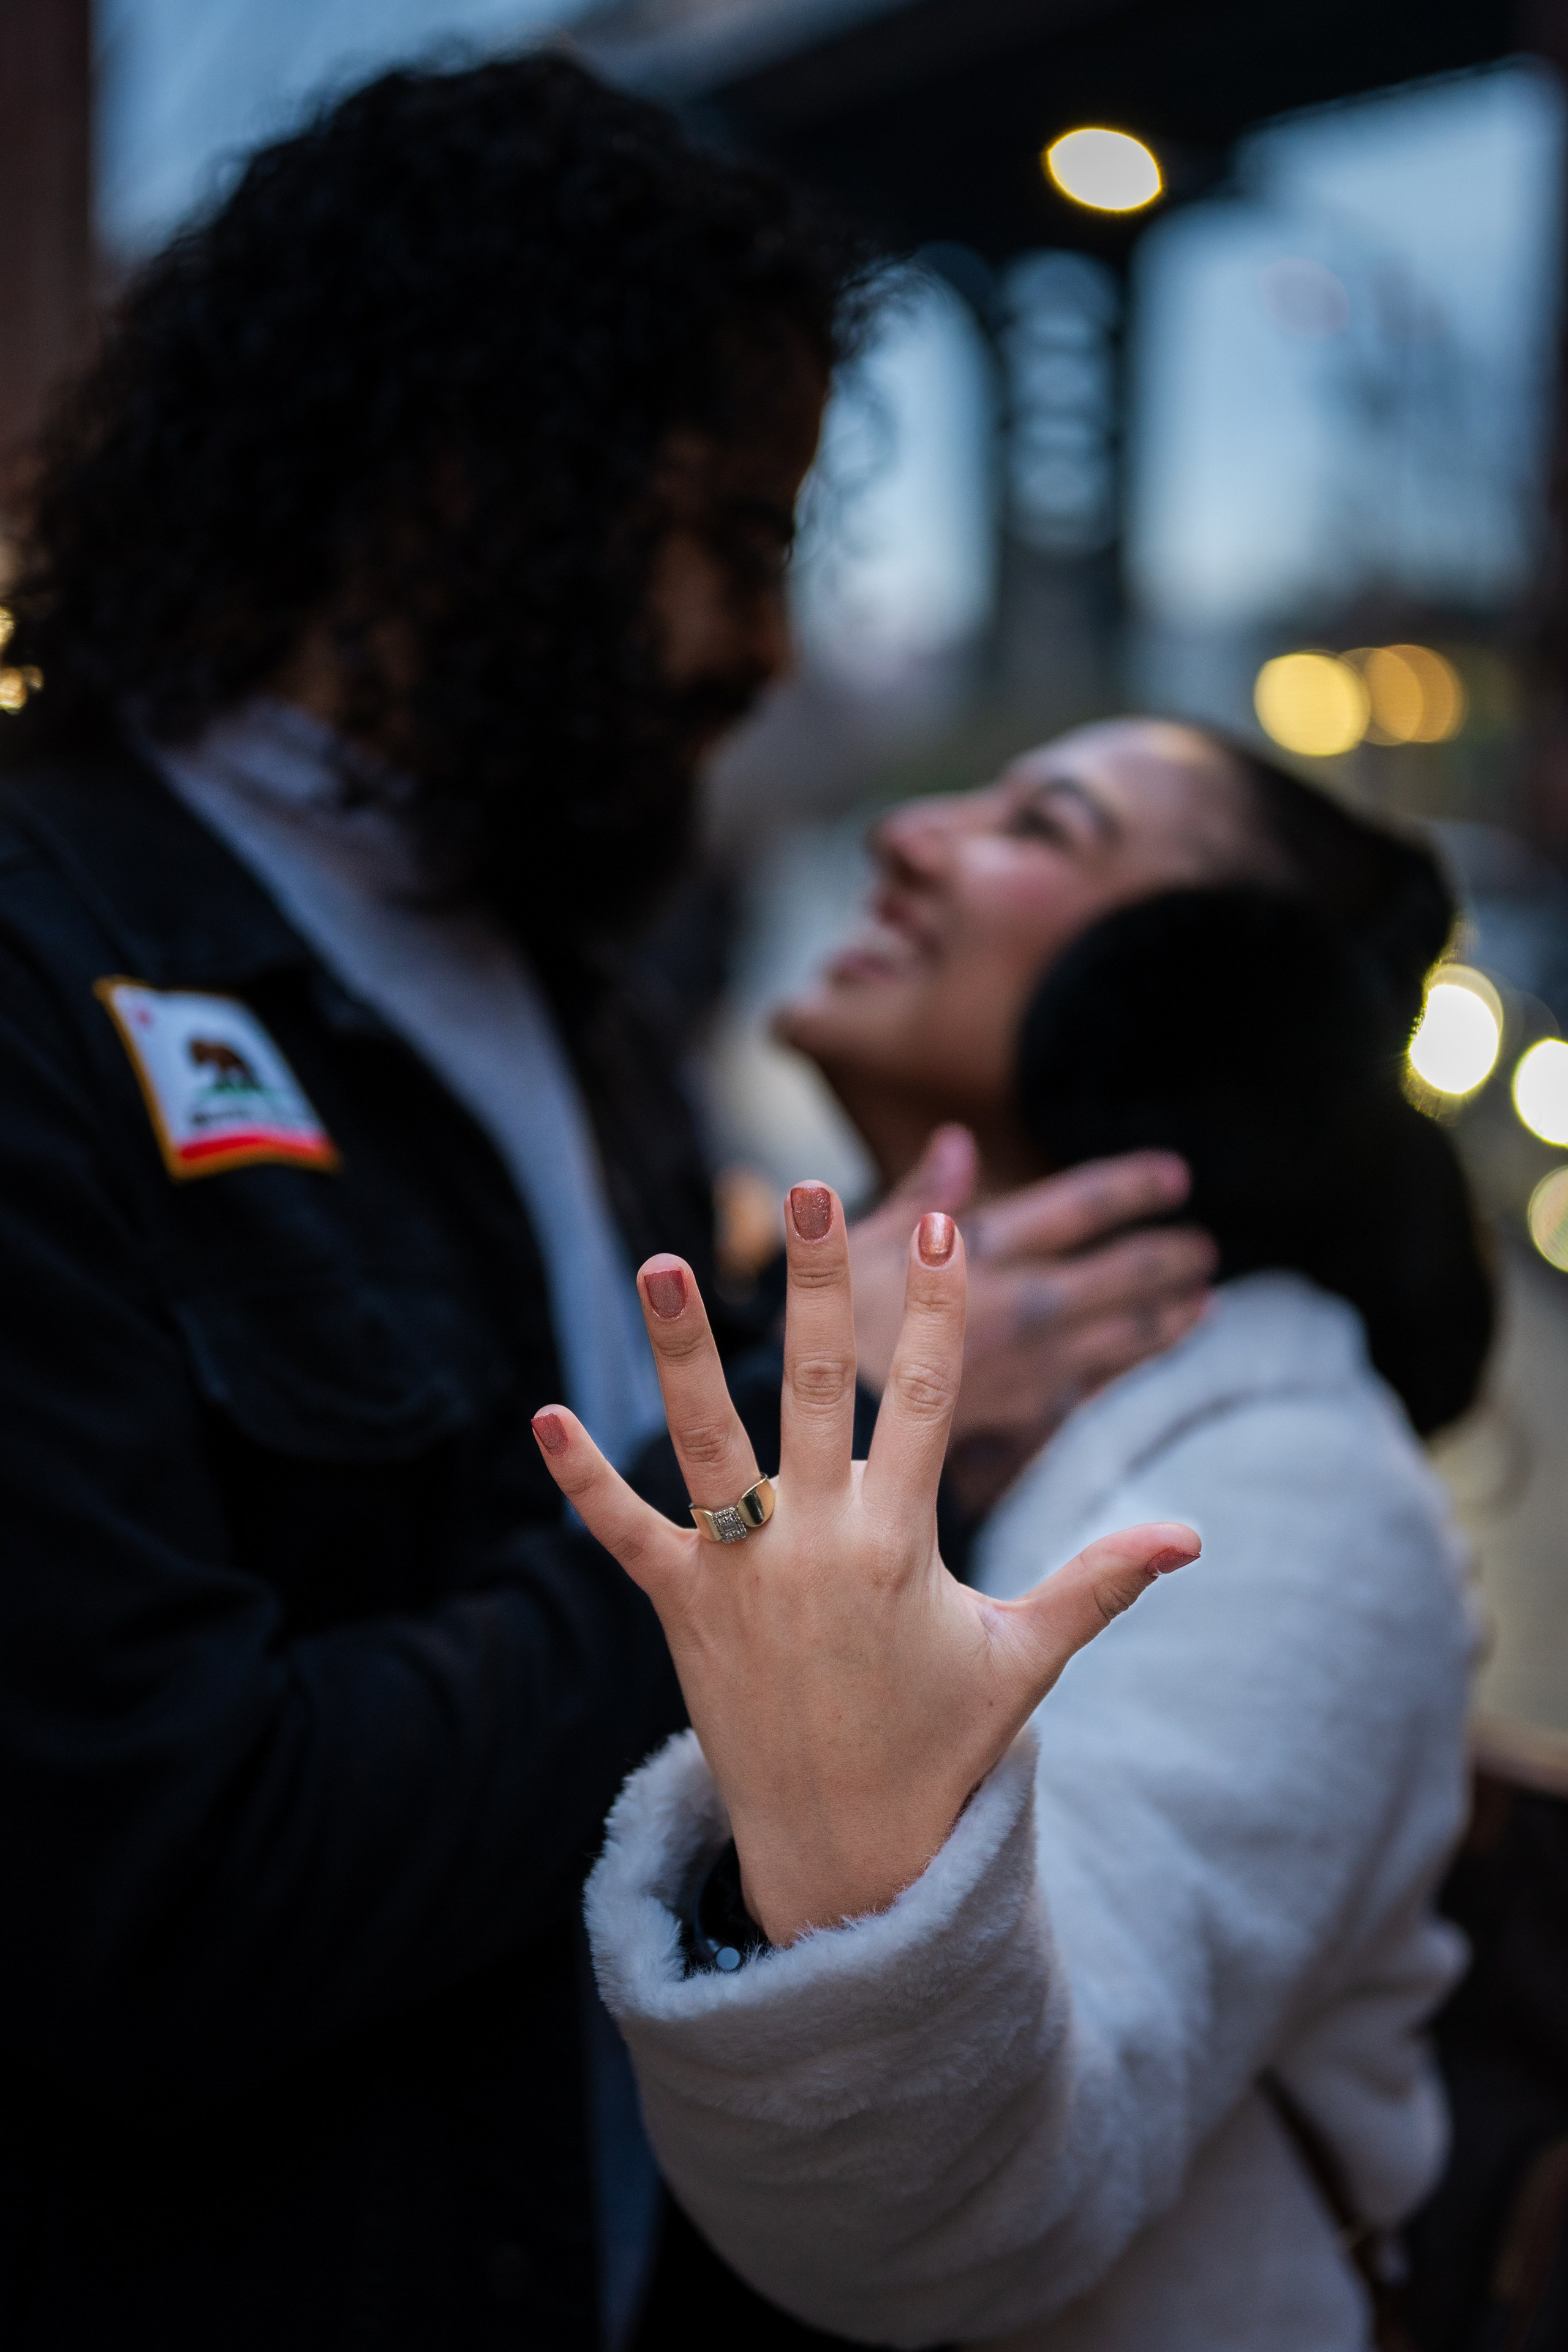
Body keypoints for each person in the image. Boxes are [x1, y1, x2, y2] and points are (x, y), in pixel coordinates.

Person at [0, 62, 1215, 2352]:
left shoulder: (564, 974)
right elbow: (154, 1898)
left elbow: (494, 1425)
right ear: (459, 481)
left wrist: (851, 1322)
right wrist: (778, 1511)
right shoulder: (42, 986)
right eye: (731, 535)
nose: (764, 652)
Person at [549, 718, 1497, 2350]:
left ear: (1200, 1002)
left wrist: (843, 1848)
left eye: (1045, 823)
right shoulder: (891, 1372)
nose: (905, 835)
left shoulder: (1285, 1493)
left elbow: (952, 2202)